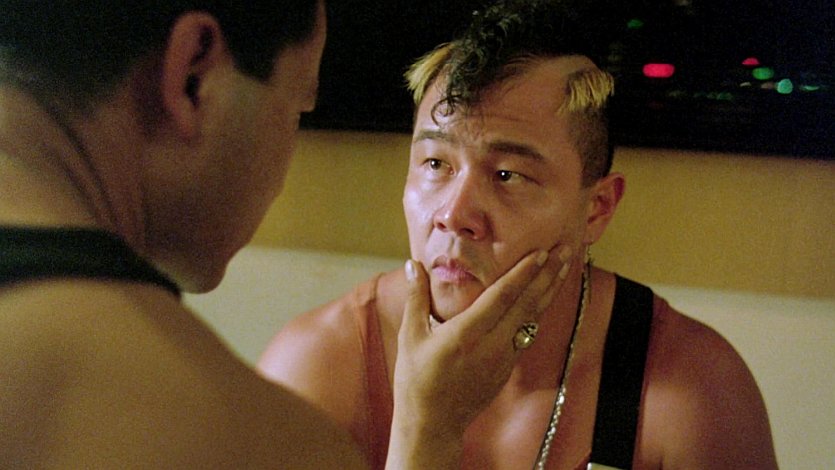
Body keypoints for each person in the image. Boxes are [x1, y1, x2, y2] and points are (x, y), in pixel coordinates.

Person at [0, 1, 570, 467]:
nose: (456, 213)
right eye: (297, 108)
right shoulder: (242, 439)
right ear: (194, 73)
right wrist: (426, 440)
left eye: (507, 174)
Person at [257, 1, 779, 468]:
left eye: (508, 175)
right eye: (435, 164)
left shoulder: (690, 388)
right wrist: (423, 429)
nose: (454, 214)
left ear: (596, 209)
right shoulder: (318, 365)